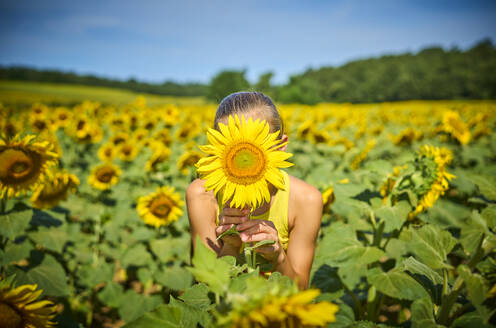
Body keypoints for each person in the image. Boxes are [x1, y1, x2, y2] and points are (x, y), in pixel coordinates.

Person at [186, 91, 323, 289]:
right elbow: (206, 289)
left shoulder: (306, 200)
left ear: (280, 146)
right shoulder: (203, 194)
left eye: (254, 147)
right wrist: (230, 247)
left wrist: (278, 257)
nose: (243, 160)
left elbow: (299, 289)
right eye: (232, 148)